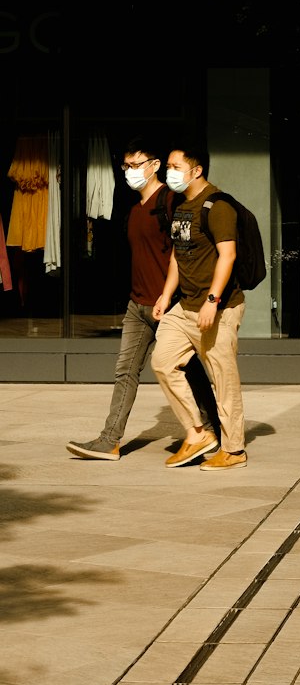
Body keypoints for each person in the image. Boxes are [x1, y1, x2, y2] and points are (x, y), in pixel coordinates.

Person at [67, 138, 219, 462]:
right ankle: (109, 441)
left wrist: (171, 296)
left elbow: (183, 252)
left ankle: (210, 431)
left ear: (154, 166)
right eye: (126, 166)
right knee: (125, 372)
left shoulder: (170, 202)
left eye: (136, 165)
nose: (130, 172)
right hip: (138, 306)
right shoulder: (133, 211)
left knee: (187, 370)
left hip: (171, 304)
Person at [151, 143, 248, 471]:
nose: (170, 172)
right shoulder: (182, 205)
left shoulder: (217, 206)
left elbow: (228, 255)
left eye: (176, 167)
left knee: (223, 379)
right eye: (168, 166)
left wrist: (213, 300)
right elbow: (178, 254)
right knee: (162, 362)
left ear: (196, 171)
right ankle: (197, 433)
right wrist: (166, 295)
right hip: (186, 305)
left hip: (217, 307)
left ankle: (234, 451)